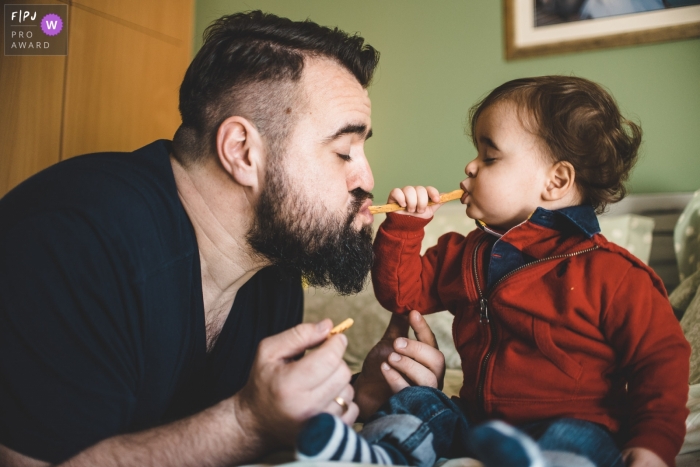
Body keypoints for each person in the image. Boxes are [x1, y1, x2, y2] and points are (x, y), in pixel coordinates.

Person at [0, 11, 447, 467]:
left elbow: (205, 437)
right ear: (242, 151)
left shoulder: (274, 267)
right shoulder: (75, 242)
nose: (366, 178)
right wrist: (246, 421)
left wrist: (363, 390)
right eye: (343, 151)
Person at [295, 76, 691, 467]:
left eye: (489, 156)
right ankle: (377, 454)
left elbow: (659, 362)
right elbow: (402, 294)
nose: (470, 165)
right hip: (477, 424)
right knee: (417, 401)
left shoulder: (614, 274)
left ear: (556, 181)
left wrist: (654, 442)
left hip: (574, 424)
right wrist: (405, 225)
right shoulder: (465, 254)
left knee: (578, 439)